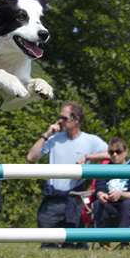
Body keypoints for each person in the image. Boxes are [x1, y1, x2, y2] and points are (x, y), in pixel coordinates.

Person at [26, 101, 108, 249]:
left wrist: (88, 157)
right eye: (60, 117)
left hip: (74, 200)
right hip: (52, 199)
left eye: (64, 118)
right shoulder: (54, 138)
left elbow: (111, 153)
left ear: (76, 119)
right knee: (47, 246)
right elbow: (31, 157)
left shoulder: (90, 140)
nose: (60, 121)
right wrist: (45, 135)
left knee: (74, 246)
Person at [91, 137, 130, 250]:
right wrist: (101, 195)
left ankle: (125, 243)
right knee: (97, 204)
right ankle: (104, 244)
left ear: (126, 152)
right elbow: (99, 187)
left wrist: (121, 194)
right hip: (110, 205)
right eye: (111, 152)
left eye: (118, 151)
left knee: (127, 204)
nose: (115, 155)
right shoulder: (105, 169)